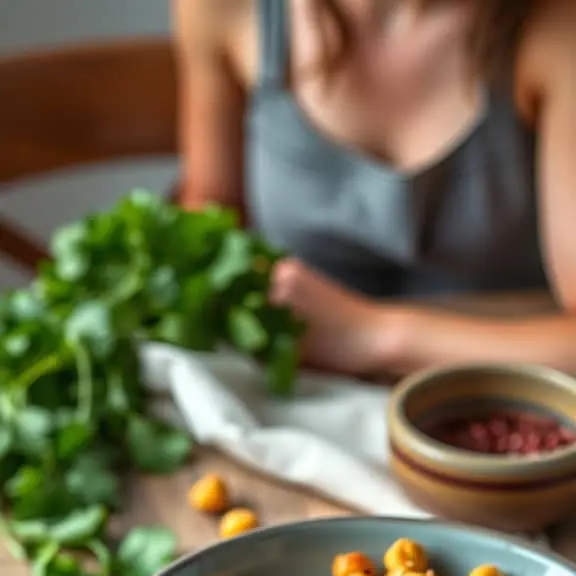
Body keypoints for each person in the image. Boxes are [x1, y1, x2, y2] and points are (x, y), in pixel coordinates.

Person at [175, 0, 576, 376]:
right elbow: (209, 218)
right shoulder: (222, 8)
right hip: (297, 395)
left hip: (507, 409)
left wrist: (372, 334)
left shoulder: (556, 24)